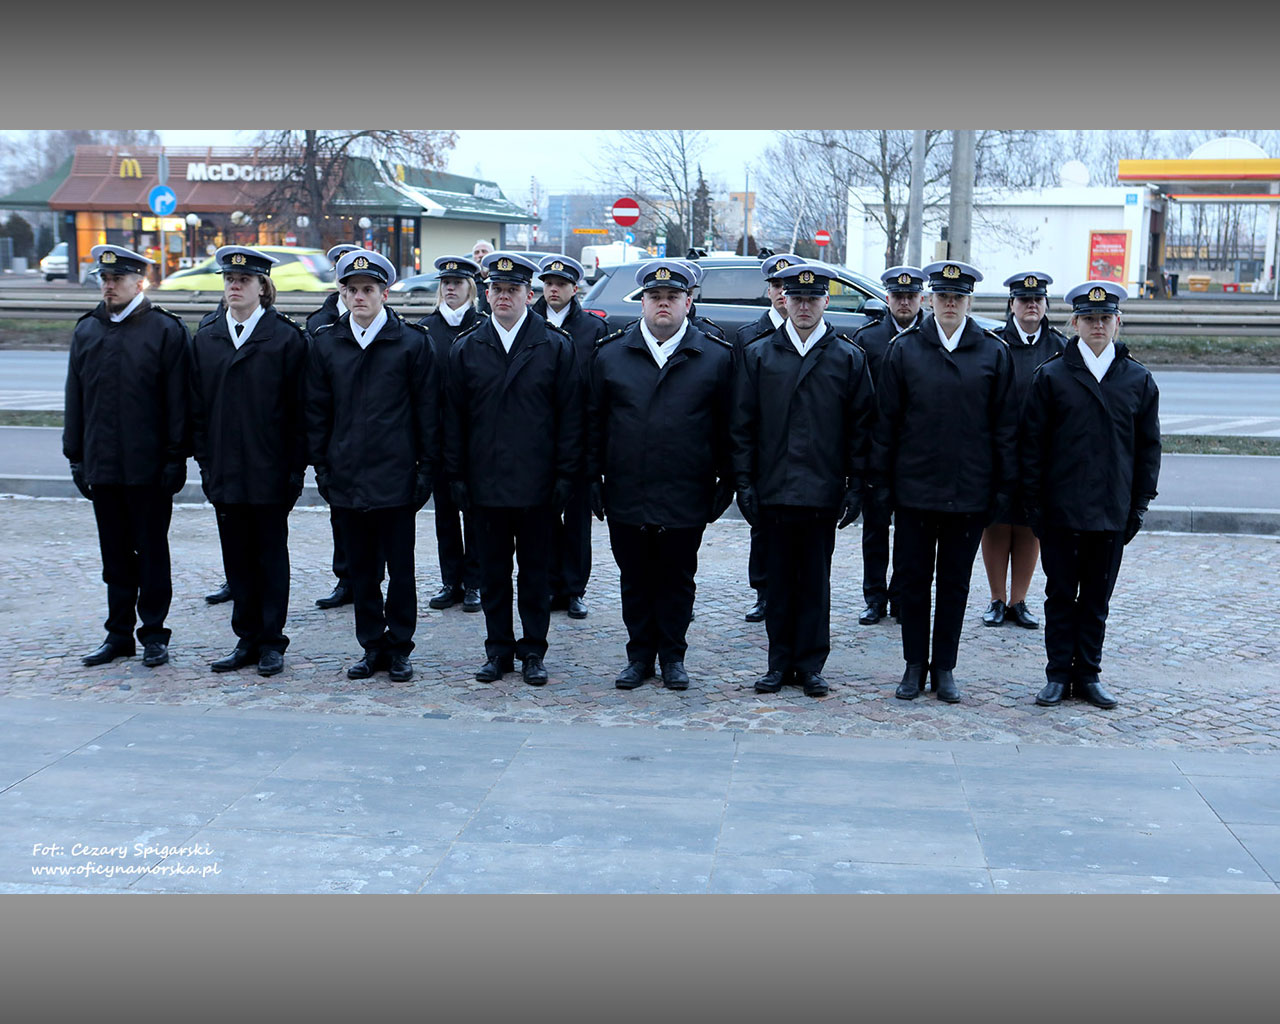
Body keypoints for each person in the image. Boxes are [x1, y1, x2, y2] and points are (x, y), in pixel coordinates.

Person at [870, 260, 1017, 704]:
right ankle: (914, 665)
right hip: (914, 490)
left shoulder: (993, 352)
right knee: (913, 581)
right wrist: (881, 486)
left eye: (958, 297)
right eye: (943, 296)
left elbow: (1005, 428)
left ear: (969, 301)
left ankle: (945, 668)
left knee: (954, 584)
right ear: (930, 299)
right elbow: (886, 424)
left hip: (968, 491)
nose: (950, 304)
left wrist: (1003, 489)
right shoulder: (905, 349)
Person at [589, 258, 735, 691]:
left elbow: (730, 426)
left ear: (688, 302)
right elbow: (593, 424)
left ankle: (672, 656)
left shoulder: (715, 357)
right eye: (655, 297)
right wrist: (591, 478)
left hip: (685, 488)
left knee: (677, 579)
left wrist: (727, 480)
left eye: (672, 296)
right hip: (627, 488)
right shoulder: (611, 355)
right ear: (643, 303)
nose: (663, 304)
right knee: (634, 579)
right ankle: (638, 657)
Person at [731, 262, 875, 698]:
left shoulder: (848, 357)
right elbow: (742, 423)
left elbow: (861, 428)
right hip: (774, 486)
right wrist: (744, 481)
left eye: (813, 299)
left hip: (821, 488)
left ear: (826, 301)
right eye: (797, 298)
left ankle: (810, 664)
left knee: (814, 581)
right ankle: (778, 663)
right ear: (784, 301)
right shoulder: (759, 354)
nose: (804, 306)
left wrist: (856, 484)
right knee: (777, 582)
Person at [445, 252, 583, 686]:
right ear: (486, 295)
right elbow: (453, 419)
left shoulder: (555, 345)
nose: (504, 296)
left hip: (538, 483)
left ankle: (534, 650)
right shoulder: (467, 347)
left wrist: (566, 475)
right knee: (493, 574)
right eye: (497, 289)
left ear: (529, 295)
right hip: (485, 484)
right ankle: (498, 650)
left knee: (536, 574)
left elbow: (570, 416)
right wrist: (456, 476)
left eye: (513, 289)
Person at [1021, 281, 1160, 709]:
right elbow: (1032, 445)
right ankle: (1057, 674)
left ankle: (1088, 673)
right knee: (1061, 596)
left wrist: (1139, 503)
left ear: (1118, 323)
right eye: (1089, 318)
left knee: (1097, 599)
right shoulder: (1052, 376)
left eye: (1105, 318)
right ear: (1075, 323)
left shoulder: (1137, 379)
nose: (1097, 325)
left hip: (1110, 508)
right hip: (1061, 509)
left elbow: (1148, 448)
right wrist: (1033, 503)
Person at [307, 249, 438, 683]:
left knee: (400, 571)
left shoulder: (411, 342)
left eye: (368, 289)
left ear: (385, 293)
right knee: (362, 572)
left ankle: (399, 646)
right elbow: (317, 411)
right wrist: (322, 467)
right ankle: (371, 645)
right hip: (347, 475)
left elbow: (427, 412)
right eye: (351, 290)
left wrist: (425, 470)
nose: (359, 297)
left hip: (396, 475)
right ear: (342, 294)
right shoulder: (327, 342)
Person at [64, 244, 190, 668]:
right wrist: (76, 456)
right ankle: (118, 634)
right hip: (103, 464)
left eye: (117, 279)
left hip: (148, 467)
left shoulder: (164, 330)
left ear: (140, 282)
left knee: (151, 553)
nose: (109, 286)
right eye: (104, 279)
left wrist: (175, 457)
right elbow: (75, 397)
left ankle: (153, 633)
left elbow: (178, 400)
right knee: (114, 556)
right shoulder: (88, 330)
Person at [190, 246, 308, 677]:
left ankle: (272, 641)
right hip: (225, 469)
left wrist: (295, 469)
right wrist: (205, 463)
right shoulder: (207, 337)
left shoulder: (287, 338)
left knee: (271, 557)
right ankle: (246, 638)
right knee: (236, 559)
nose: (235, 286)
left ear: (263, 287)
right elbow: (197, 408)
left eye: (244, 280)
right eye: (229, 280)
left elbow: (300, 411)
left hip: (270, 470)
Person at [979, 271, 1069, 629]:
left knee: (1031, 525)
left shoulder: (1061, 347)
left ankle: (1019, 600)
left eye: (1037, 299)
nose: (1031, 305)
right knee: (997, 522)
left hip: (1042, 454)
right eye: (1024, 300)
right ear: (1011, 304)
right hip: (999, 450)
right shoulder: (994, 343)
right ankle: (997, 599)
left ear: (1045, 304)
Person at [851, 266, 927, 626]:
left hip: (915, 450)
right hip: (875, 449)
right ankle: (874, 596)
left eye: (911, 296)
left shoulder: (930, 338)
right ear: (887, 298)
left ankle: (900, 595)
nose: (905, 302)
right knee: (875, 528)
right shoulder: (868, 339)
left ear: (922, 299)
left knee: (912, 533)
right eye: (898, 296)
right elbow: (857, 399)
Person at [532, 254, 608, 619]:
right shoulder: (530, 322)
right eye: (548, 284)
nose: (553, 290)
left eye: (560, 284)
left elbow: (599, 384)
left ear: (574, 289)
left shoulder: (593, 328)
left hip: (578, 432)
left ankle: (575, 588)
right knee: (543, 518)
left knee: (578, 519)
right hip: (540, 436)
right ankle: (551, 584)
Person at [734, 251, 801, 624]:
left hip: (803, 445)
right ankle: (762, 592)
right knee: (762, 527)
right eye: (776, 285)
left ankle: (795, 591)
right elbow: (740, 401)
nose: (780, 293)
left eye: (786, 286)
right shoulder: (749, 336)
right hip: (765, 446)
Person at [418, 256, 483, 613]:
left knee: (474, 513)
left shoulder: (482, 326)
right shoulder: (426, 330)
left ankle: (475, 582)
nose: (451, 288)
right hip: (439, 436)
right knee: (444, 512)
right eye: (446, 283)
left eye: (457, 283)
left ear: (470, 287)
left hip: (475, 438)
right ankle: (450, 580)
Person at [307, 243, 364, 610]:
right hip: (338, 440)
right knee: (339, 516)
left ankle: (371, 580)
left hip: (375, 440)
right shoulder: (319, 323)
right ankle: (345, 578)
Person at [471, 239, 495, 316]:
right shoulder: (470, 281)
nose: (480, 255)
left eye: (484, 251)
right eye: (476, 252)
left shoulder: (500, 279)